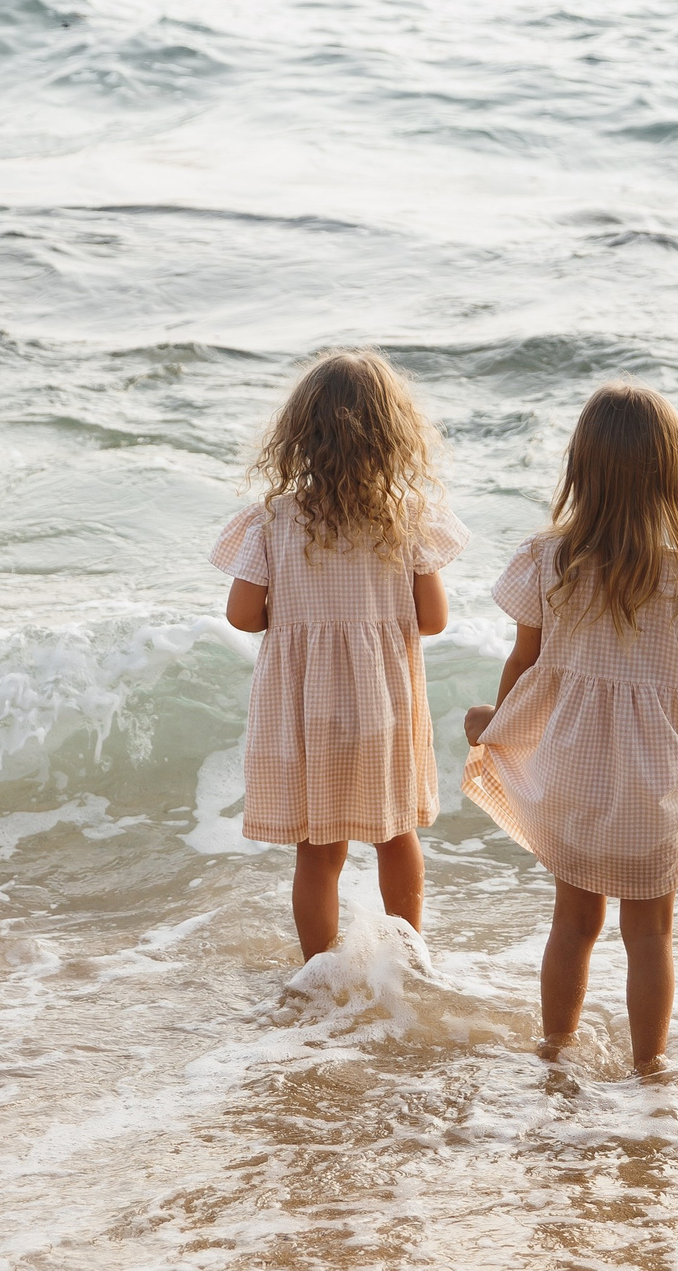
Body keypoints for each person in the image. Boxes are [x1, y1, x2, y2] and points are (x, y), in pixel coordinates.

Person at [460, 383, 678, 1075]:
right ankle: (650, 1066)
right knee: (650, 932)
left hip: (573, 774)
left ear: (581, 469)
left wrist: (498, 728)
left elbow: (526, 662)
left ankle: (554, 1050)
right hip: (653, 786)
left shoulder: (550, 562)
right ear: (673, 474)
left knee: (573, 921)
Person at [212, 350, 468, 960]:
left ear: (298, 436)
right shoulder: (409, 520)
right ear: (395, 438)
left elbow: (242, 615)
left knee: (318, 850)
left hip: (308, 709)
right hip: (385, 707)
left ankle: (319, 971)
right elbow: (432, 619)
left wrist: (301, 618)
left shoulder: (273, 519)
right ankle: (411, 959)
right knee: (396, 834)